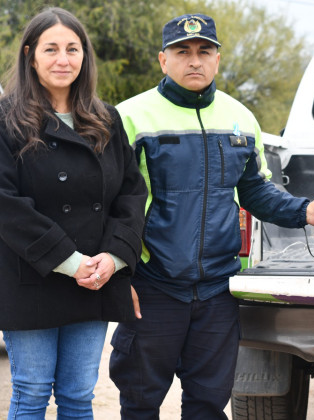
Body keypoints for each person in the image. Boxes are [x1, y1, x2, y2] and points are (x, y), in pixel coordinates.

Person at [108, 13, 314, 419]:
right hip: (153, 288)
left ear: (217, 59)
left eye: (204, 51)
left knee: (208, 405)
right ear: (163, 60)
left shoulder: (241, 120)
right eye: (183, 52)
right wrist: (120, 275)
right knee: (140, 403)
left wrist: (306, 210)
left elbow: (255, 191)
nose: (194, 61)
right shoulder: (130, 118)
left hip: (217, 291)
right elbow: (108, 205)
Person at [0, 7, 148, 419]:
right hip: (32, 276)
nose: (63, 59)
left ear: (84, 56)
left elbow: (132, 195)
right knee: (31, 393)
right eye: (51, 49)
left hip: (95, 278)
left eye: (72, 48)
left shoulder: (106, 118)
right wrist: (70, 262)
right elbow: (5, 203)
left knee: (79, 396)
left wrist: (115, 257)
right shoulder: (6, 120)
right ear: (30, 55)